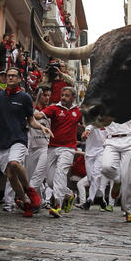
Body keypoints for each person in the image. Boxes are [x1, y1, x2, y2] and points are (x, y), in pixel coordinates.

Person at [0, 67, 48, 217]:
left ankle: (30, 191)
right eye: (8, 76)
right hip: (2, 142)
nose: (10, 78)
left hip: (19, 138)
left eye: (14, 76)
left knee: (14, 163)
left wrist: (40, 127)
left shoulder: (25, 98)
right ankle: (25, 201)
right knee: (11, 175)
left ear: (20, 79)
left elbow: (31, 120)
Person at [41, 86, 82, 217]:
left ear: (73, 98)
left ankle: (57, 205)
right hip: (52, 147)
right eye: (62, 95)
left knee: (60, 173)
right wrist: (31, 114)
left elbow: (89, 122)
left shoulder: (78, 111)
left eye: (67, 95)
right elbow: (40, 114)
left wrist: (88, 130)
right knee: (50, 181)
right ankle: (69, 195)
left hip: (68, 149)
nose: (63, 97)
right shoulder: (54, 108)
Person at [100, 119, 131, 223]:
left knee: (127, 177)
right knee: (105, 167)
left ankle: (128, 210)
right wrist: (88, 128)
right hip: (111, 140)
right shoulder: (106, 103)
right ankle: (117, 180)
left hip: (130, 139)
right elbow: (97, 115)